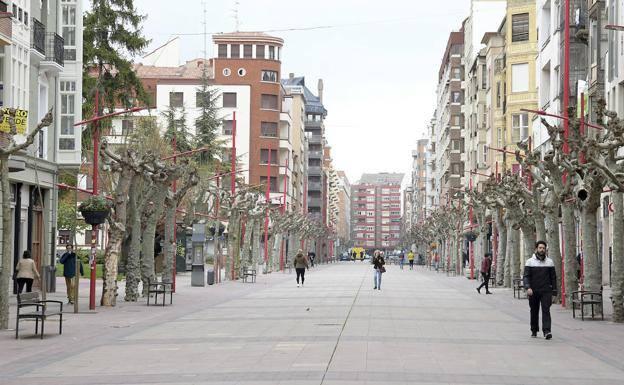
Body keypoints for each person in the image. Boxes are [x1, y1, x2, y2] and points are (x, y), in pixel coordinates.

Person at [523, 240, 557, 340]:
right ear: (536, 249)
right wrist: (528, 287)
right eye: (540, 248)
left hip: (546, 290)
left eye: (543, 248)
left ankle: (547, 331)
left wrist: (554, 291)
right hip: (533, 290)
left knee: (546, 310)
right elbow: (526, 276)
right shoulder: (529, 261)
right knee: (534, 310)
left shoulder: (550, 262)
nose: (542, 250)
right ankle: (534, 330)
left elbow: (553, 278)